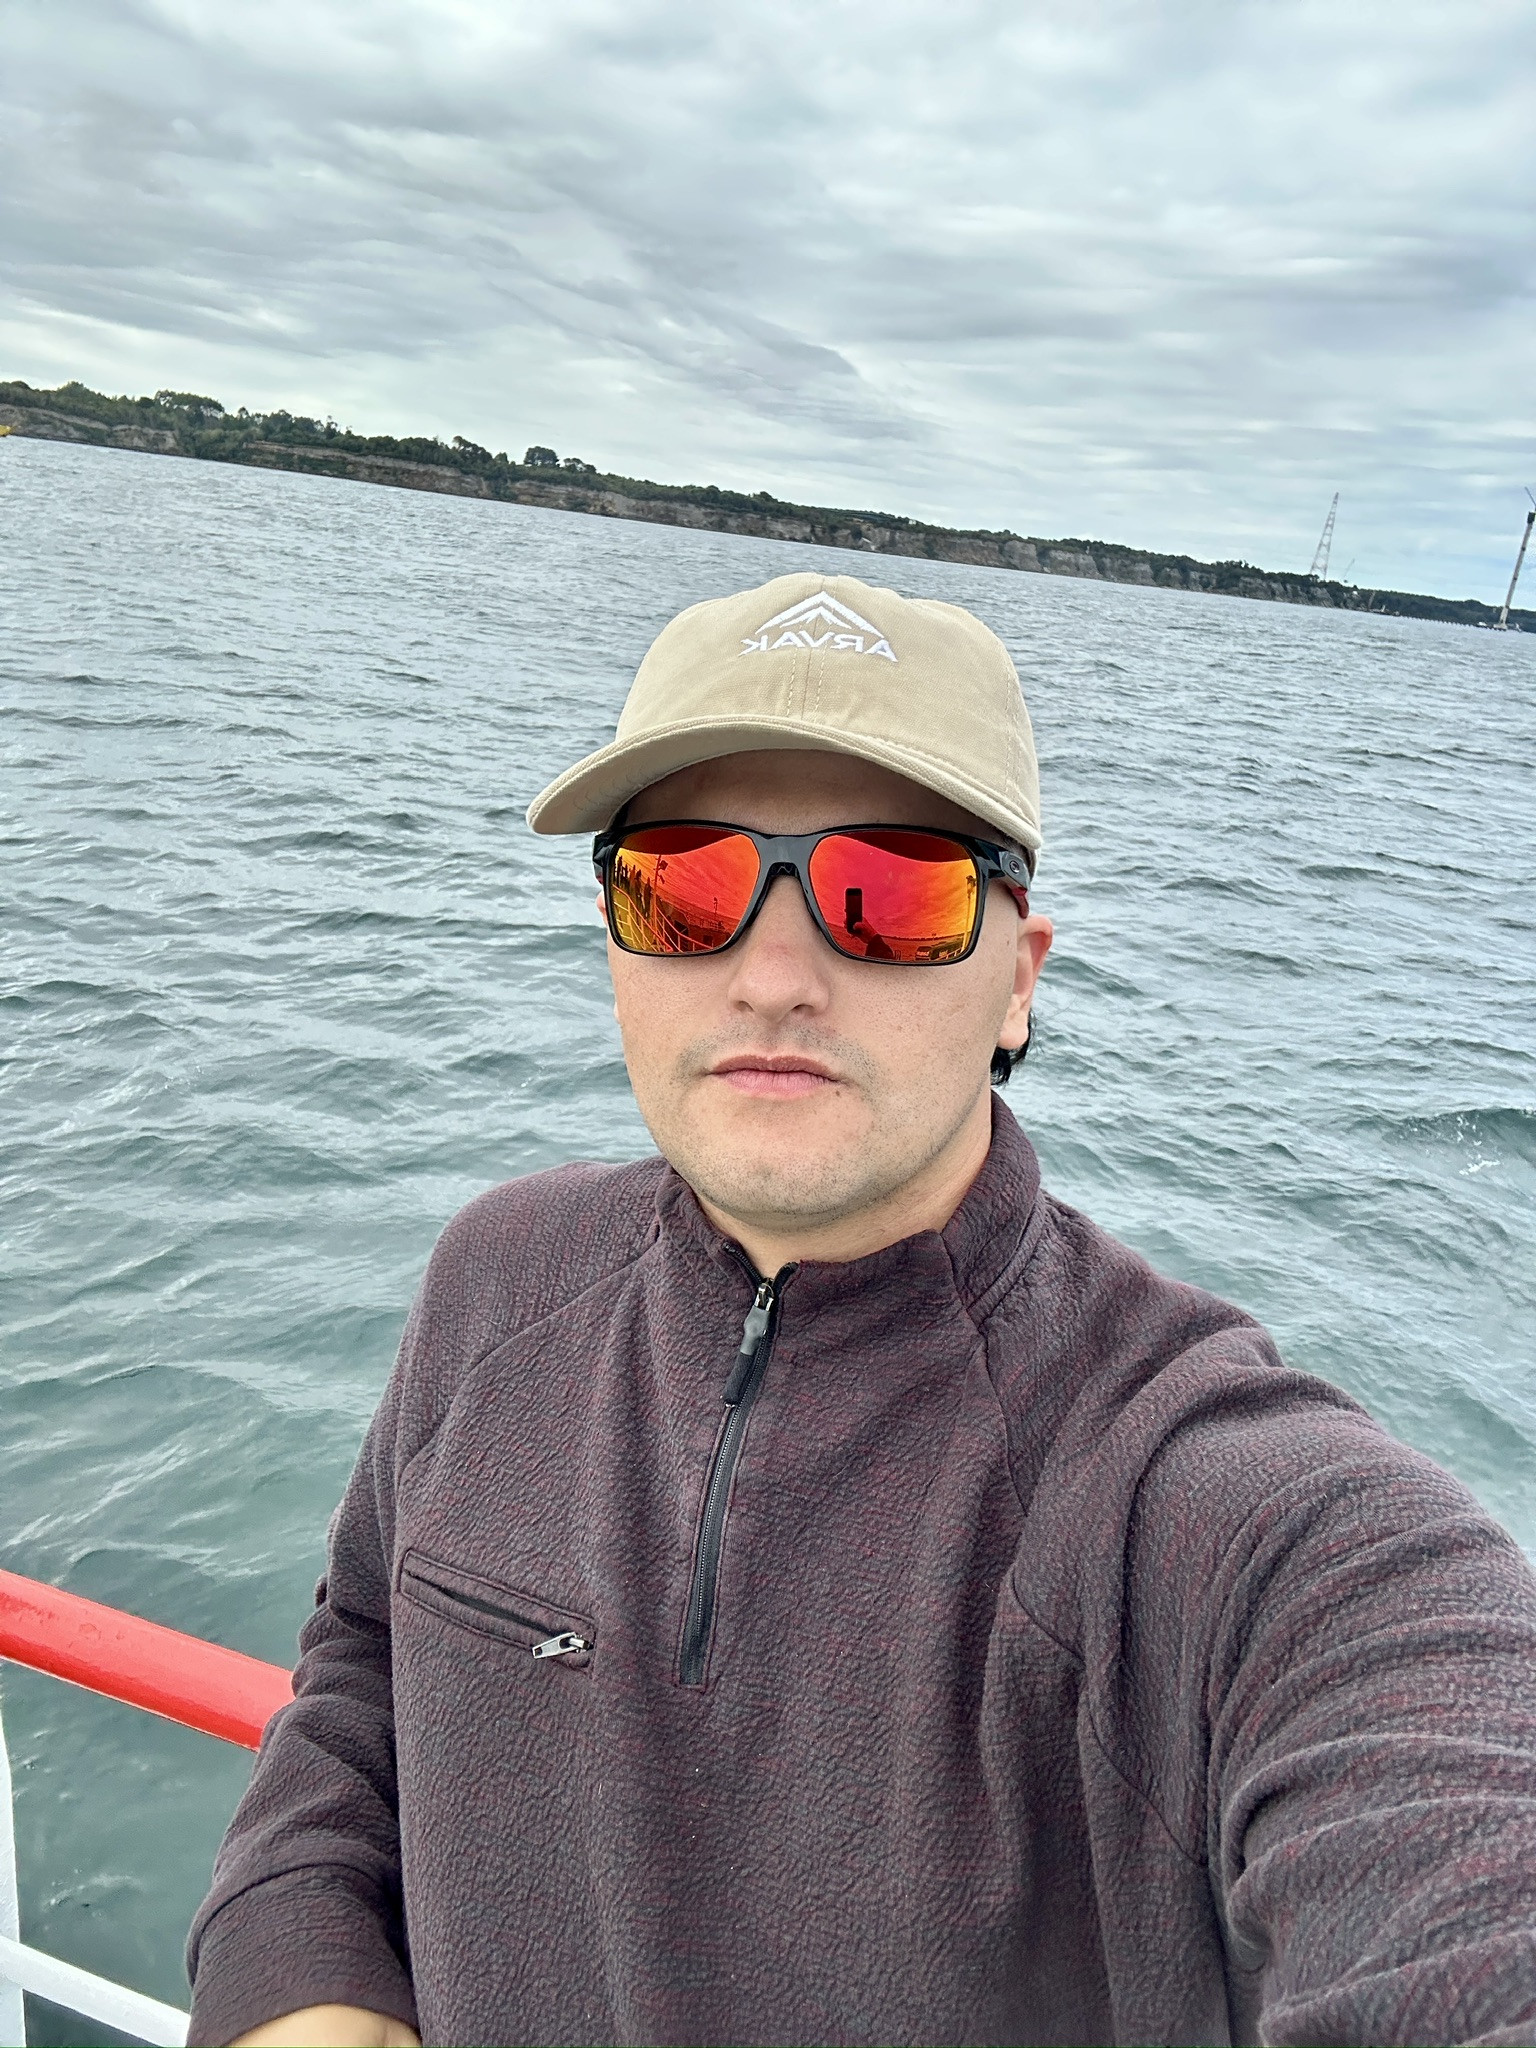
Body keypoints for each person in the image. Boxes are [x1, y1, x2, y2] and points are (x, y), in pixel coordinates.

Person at [187, 572, 1536, 2048]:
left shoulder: (1215, 1511)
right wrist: (296, 1980)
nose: (771, 977)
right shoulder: (496, 1279)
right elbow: (362, 1673)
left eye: (893, 895)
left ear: (1018, 981)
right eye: (685, 884)